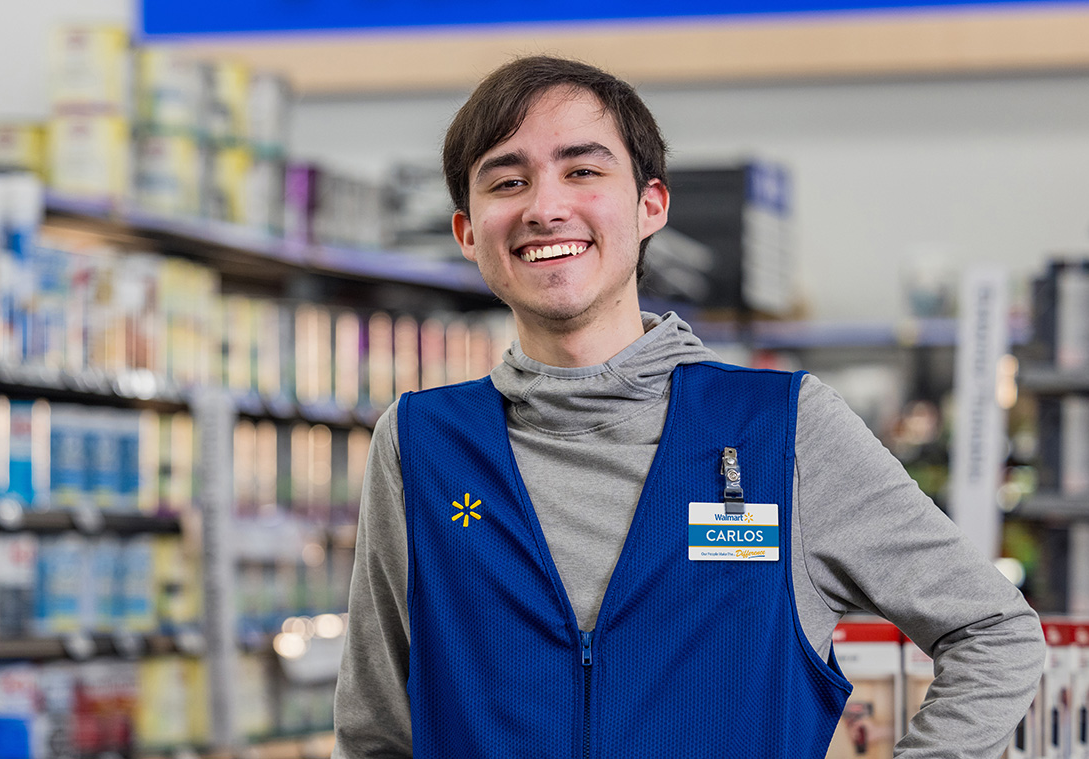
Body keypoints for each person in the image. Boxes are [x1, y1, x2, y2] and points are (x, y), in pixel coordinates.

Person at [333, 55, 1045, 758]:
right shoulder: (421, 445)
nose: (545, 206)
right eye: (508, 180)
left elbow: (995, 632)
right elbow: (376, 735)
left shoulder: (781, 429)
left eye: (583, 171)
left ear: (651, 205)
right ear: (467, 231)